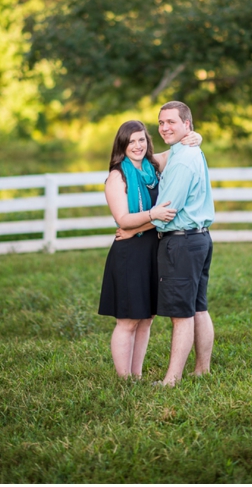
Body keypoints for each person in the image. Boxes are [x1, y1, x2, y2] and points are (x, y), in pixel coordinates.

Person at [98, 121, 201, 379]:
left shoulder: (152, 167)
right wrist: (152, 214)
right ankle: (125, 380)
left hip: (153, 250)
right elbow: (123, 219)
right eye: (131, 141)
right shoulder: (117, 176)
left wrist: (193, 136)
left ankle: (137, 375)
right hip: (129, 254)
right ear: (122, 145)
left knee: (147, 317)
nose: (137, 145)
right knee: (128, 320)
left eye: (141, 140)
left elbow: (175, 150)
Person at [151, 101, 215, 387]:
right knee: (198, 307)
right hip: (199, 238)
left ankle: (171, 380)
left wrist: (133, 225)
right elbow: (152, 158)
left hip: (181, 242)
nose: (165, 127)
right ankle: (202, 370)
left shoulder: (184, 159)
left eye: (171, 122)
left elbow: (167, 210)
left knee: (181, 314)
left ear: (187, 124)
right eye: (161, 122)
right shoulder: (188, 150)